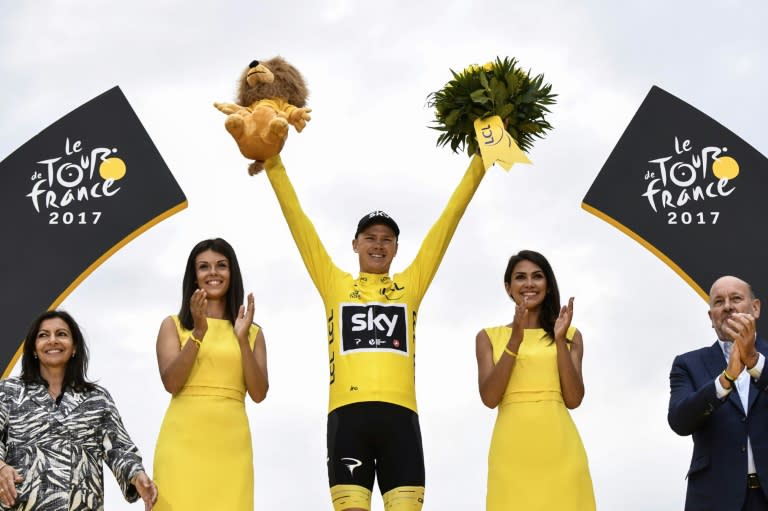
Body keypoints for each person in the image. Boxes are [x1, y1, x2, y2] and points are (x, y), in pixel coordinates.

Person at [262, 152, 487, 511]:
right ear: (355, 244)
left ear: (397, 248)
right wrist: (273, 165)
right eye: (370, 237)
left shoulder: (409, 287)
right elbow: (299, 224)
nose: (378, 245)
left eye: (387, 239)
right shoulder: (335, 285)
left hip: (401, 418)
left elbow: (448, 221)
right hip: (347, 418)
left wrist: (482, 160)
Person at [152, 238, 268, 511]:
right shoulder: (173, 326)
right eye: (204, 267)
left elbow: (259, 393)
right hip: (182, 444)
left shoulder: (253, 332)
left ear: (232, 273)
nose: (213, 273)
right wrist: (199, 333)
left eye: (221, 266)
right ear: (194, 276)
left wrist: (241, 338)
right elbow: (172, 383)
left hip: (231, 446)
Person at [0, 310, 157, 511]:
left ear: (74, 347)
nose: (53, 340)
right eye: (43, 335)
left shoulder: (97, 398)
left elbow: (119, 448)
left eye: (62, 334)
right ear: (33, 349)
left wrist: (137, 476)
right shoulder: (8, 392)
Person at [475, 250, 595, 511]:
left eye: (537, 277)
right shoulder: (487, 337)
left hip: (560, 449)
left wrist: (560, 340)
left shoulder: (572, 335)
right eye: (520, 277)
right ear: (508, 288)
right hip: (511, 451)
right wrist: (515, 340)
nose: (529, 283)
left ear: (548, 286)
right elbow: (489, 398)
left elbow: (573, 399)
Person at [668, 275, 768, 511]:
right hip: (714, 498)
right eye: (718, 302)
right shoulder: (687, 364)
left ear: (755, 308)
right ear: (711, 317)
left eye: (736, 298)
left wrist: (753, 361)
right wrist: (725, 379)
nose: (728, 307)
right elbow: (679, 421)